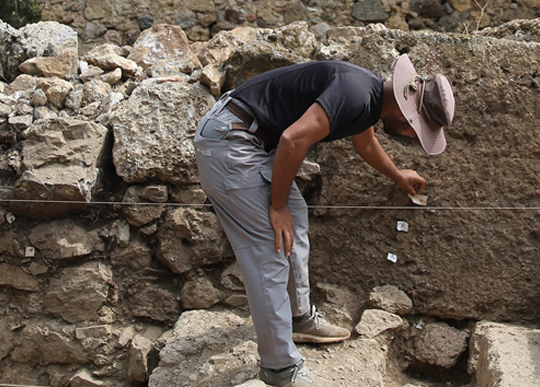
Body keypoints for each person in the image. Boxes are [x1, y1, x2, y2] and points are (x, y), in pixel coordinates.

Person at [193, 54, 455, 387]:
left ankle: (297, 317)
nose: (408, 135)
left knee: (295, 218)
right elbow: (292, 139)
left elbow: (365, 141)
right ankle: (279, 369)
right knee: (268, 250)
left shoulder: (369, 94)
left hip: (246, 136)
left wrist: (397, 176)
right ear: (405, 113)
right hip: (230, 142)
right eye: (414, 129)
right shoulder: (358, 94)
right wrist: (276, 206)